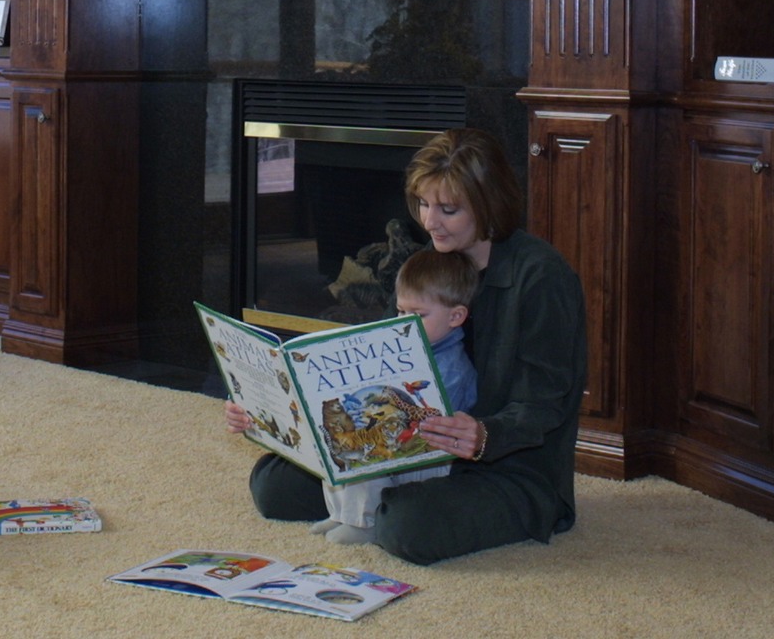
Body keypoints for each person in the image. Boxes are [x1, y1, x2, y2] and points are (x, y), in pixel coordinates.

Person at [226, 126, 587, 565]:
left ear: (489, 204)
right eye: (423, 204)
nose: (430, 222)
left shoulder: (541, 277)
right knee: (272, 486)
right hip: (406, 448)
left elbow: (545, 404)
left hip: (506, 464)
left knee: (408, 526)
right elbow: (378, 365)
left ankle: (395, 505)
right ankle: (386, 499)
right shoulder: (425, 262)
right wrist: (272, 410)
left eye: (448, 209)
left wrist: (484, 434)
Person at [312, 246, 479, 546]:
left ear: (455, 316)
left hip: (427, 460)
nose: (404, 322)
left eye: (418, 315)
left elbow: (431, 421)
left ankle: (364, 521)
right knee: (335, 435)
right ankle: (343, 512)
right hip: (401, 443)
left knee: (366, 448)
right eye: (401, 311)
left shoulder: (451, 367)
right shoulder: (401, 349)